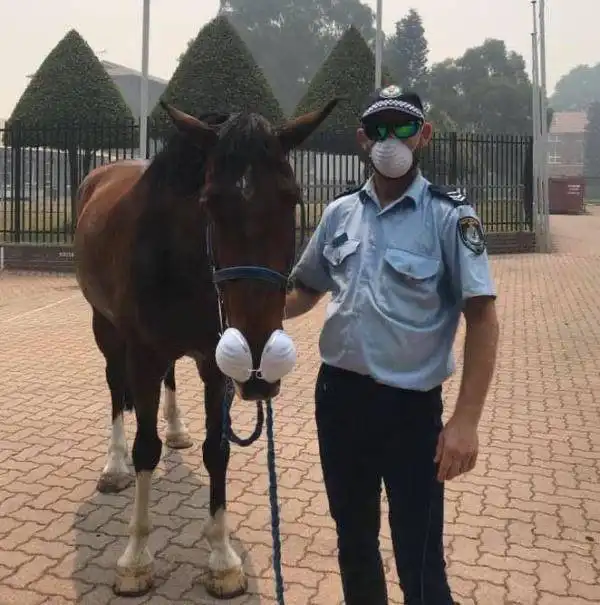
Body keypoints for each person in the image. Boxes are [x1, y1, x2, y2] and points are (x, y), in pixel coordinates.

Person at [284, 85, 499, 605]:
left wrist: (465, 421)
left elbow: (482, 318)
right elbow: (305, 291)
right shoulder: (340, 213)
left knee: (419, 560)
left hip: (410, 412)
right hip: (339, 401)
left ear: (424, 135)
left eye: (403, 127)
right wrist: (248, 315)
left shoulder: (449, 216)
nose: (390, 140)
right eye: (378, 129)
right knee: (354, 544)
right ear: (363, 138)